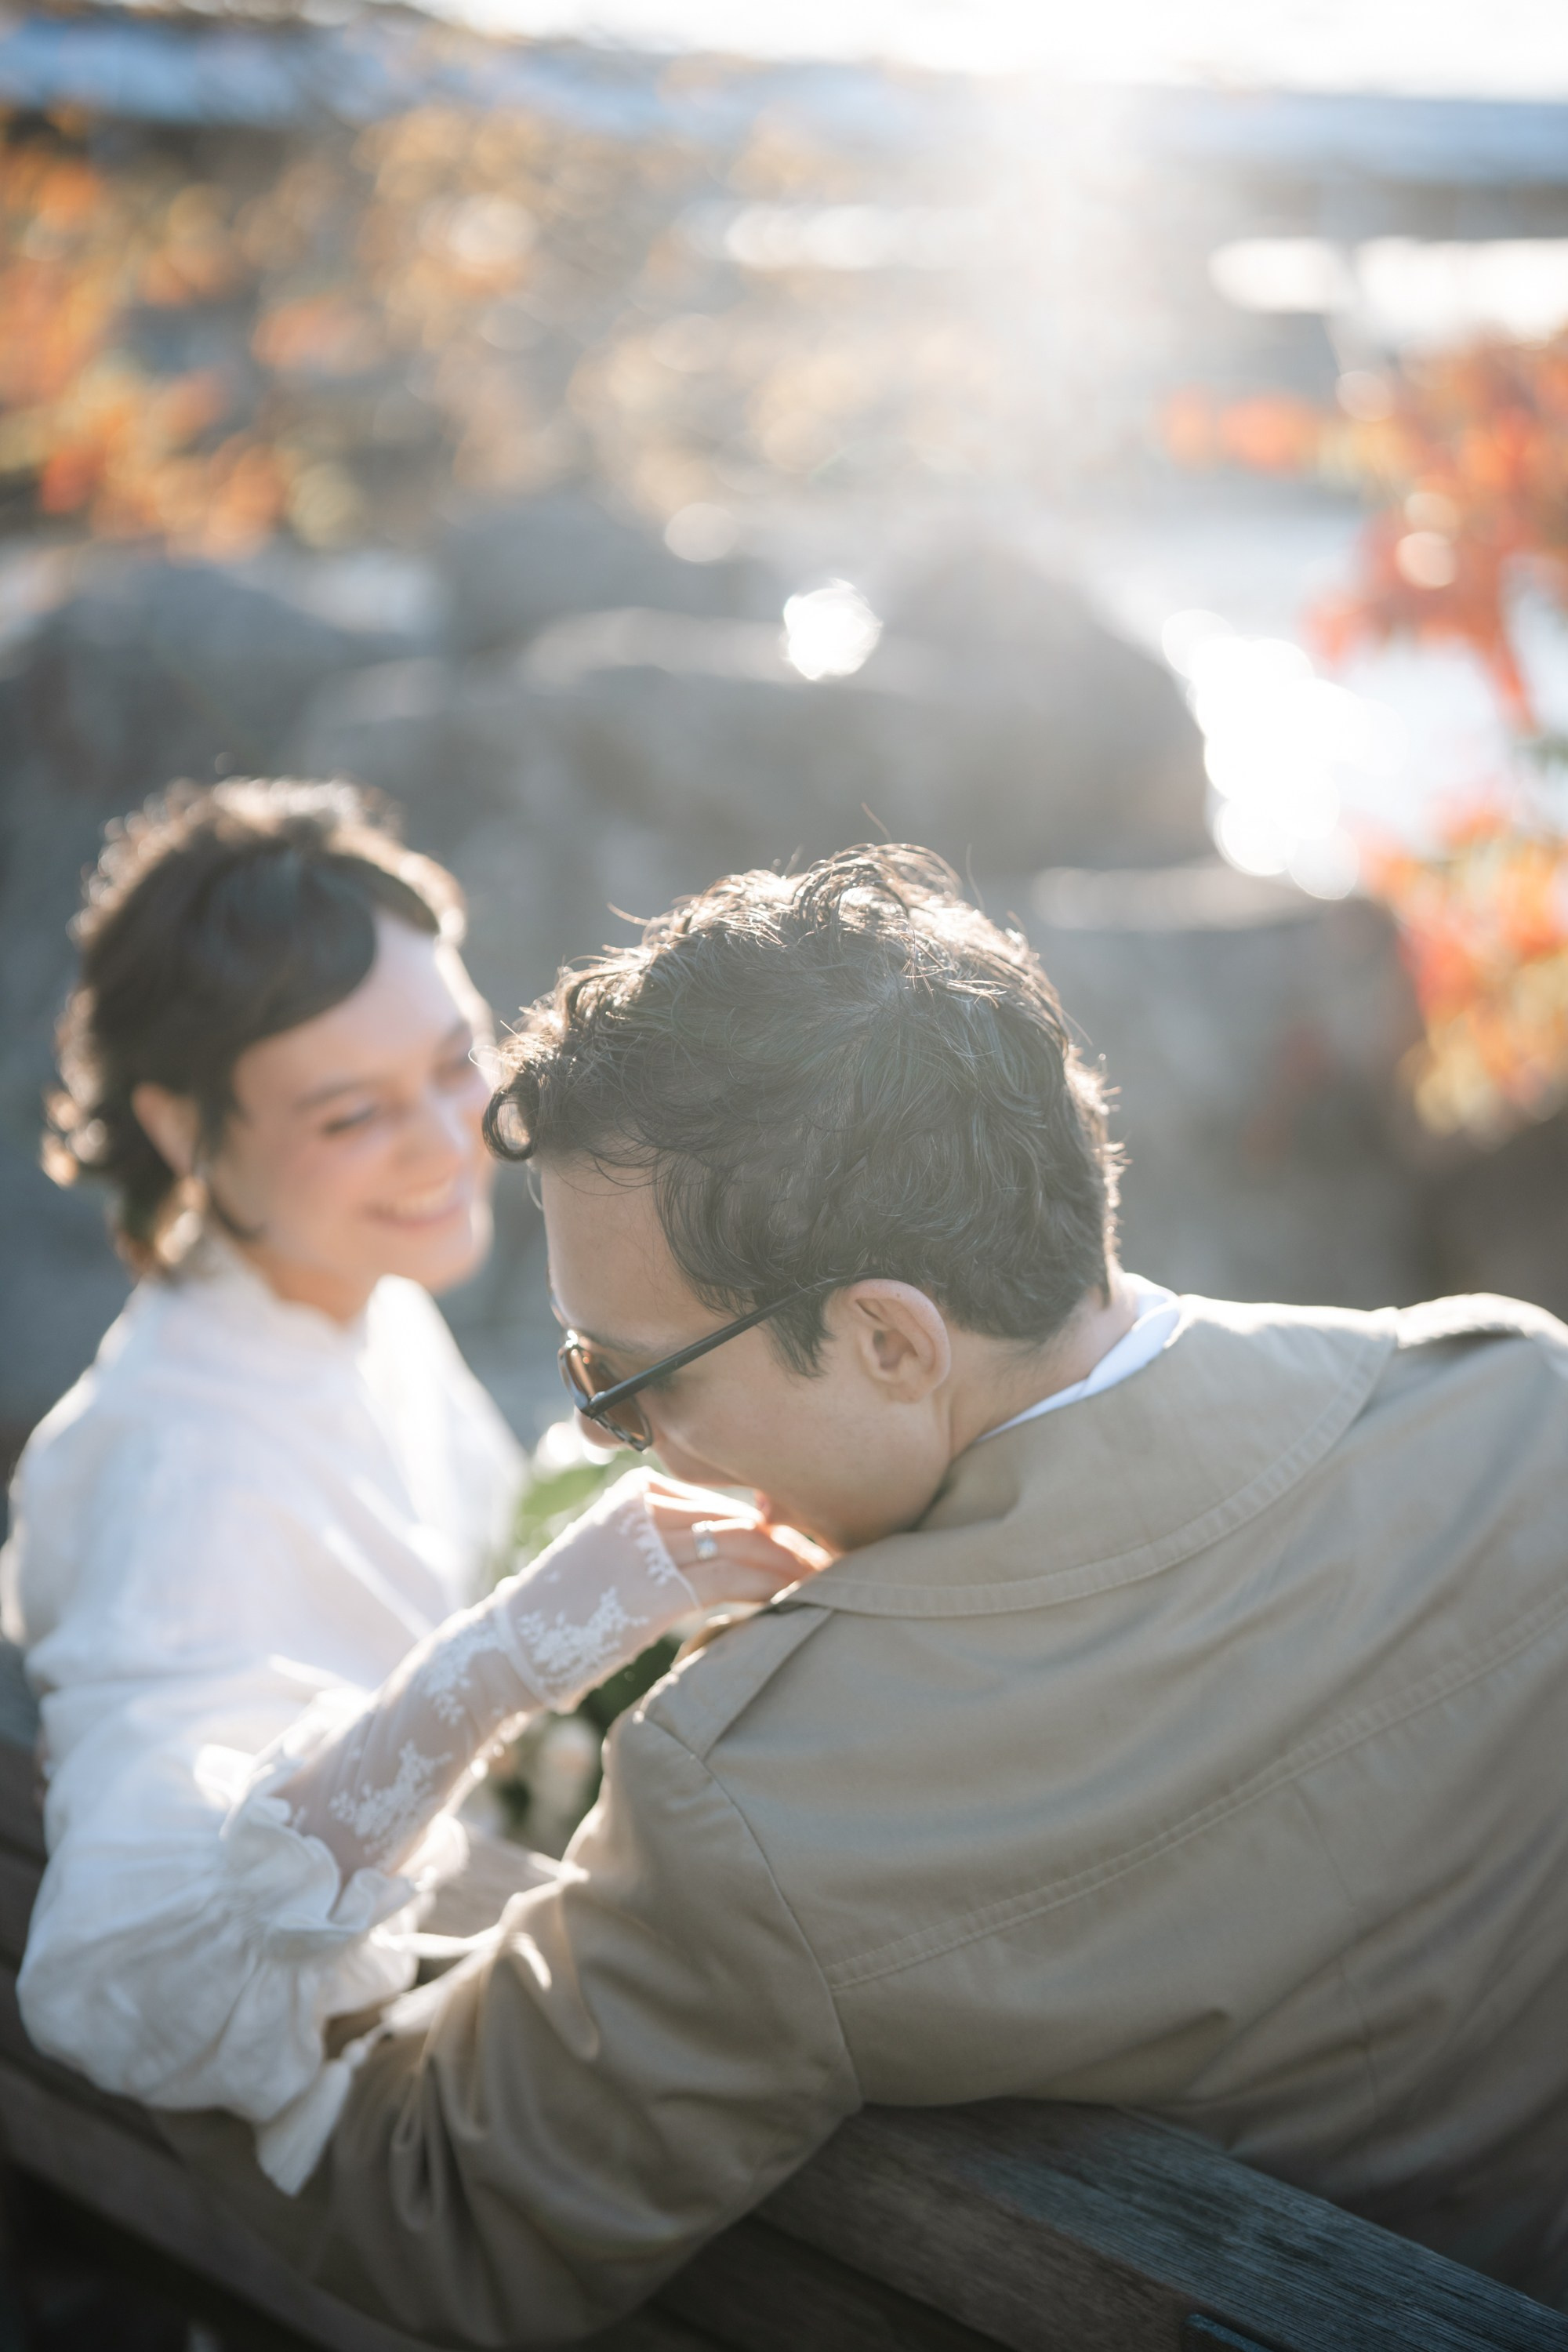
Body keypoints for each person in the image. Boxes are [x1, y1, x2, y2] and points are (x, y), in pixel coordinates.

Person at [131, 849, 1568, 2332]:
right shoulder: (1515, 1404)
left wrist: (190, 1877)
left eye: (626, 1379)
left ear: (892, 1341)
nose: (610, 1442)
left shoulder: (760, 1799)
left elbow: (423, 2212)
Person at [2, 780, 813, 2196]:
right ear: (186, 1132)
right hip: (359, 2178)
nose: (450, 1145)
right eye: (350, 1113)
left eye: (454, 1063)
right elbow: (125, 1968)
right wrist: (522, 1648)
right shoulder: (182, 1470)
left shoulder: (343, 1293)